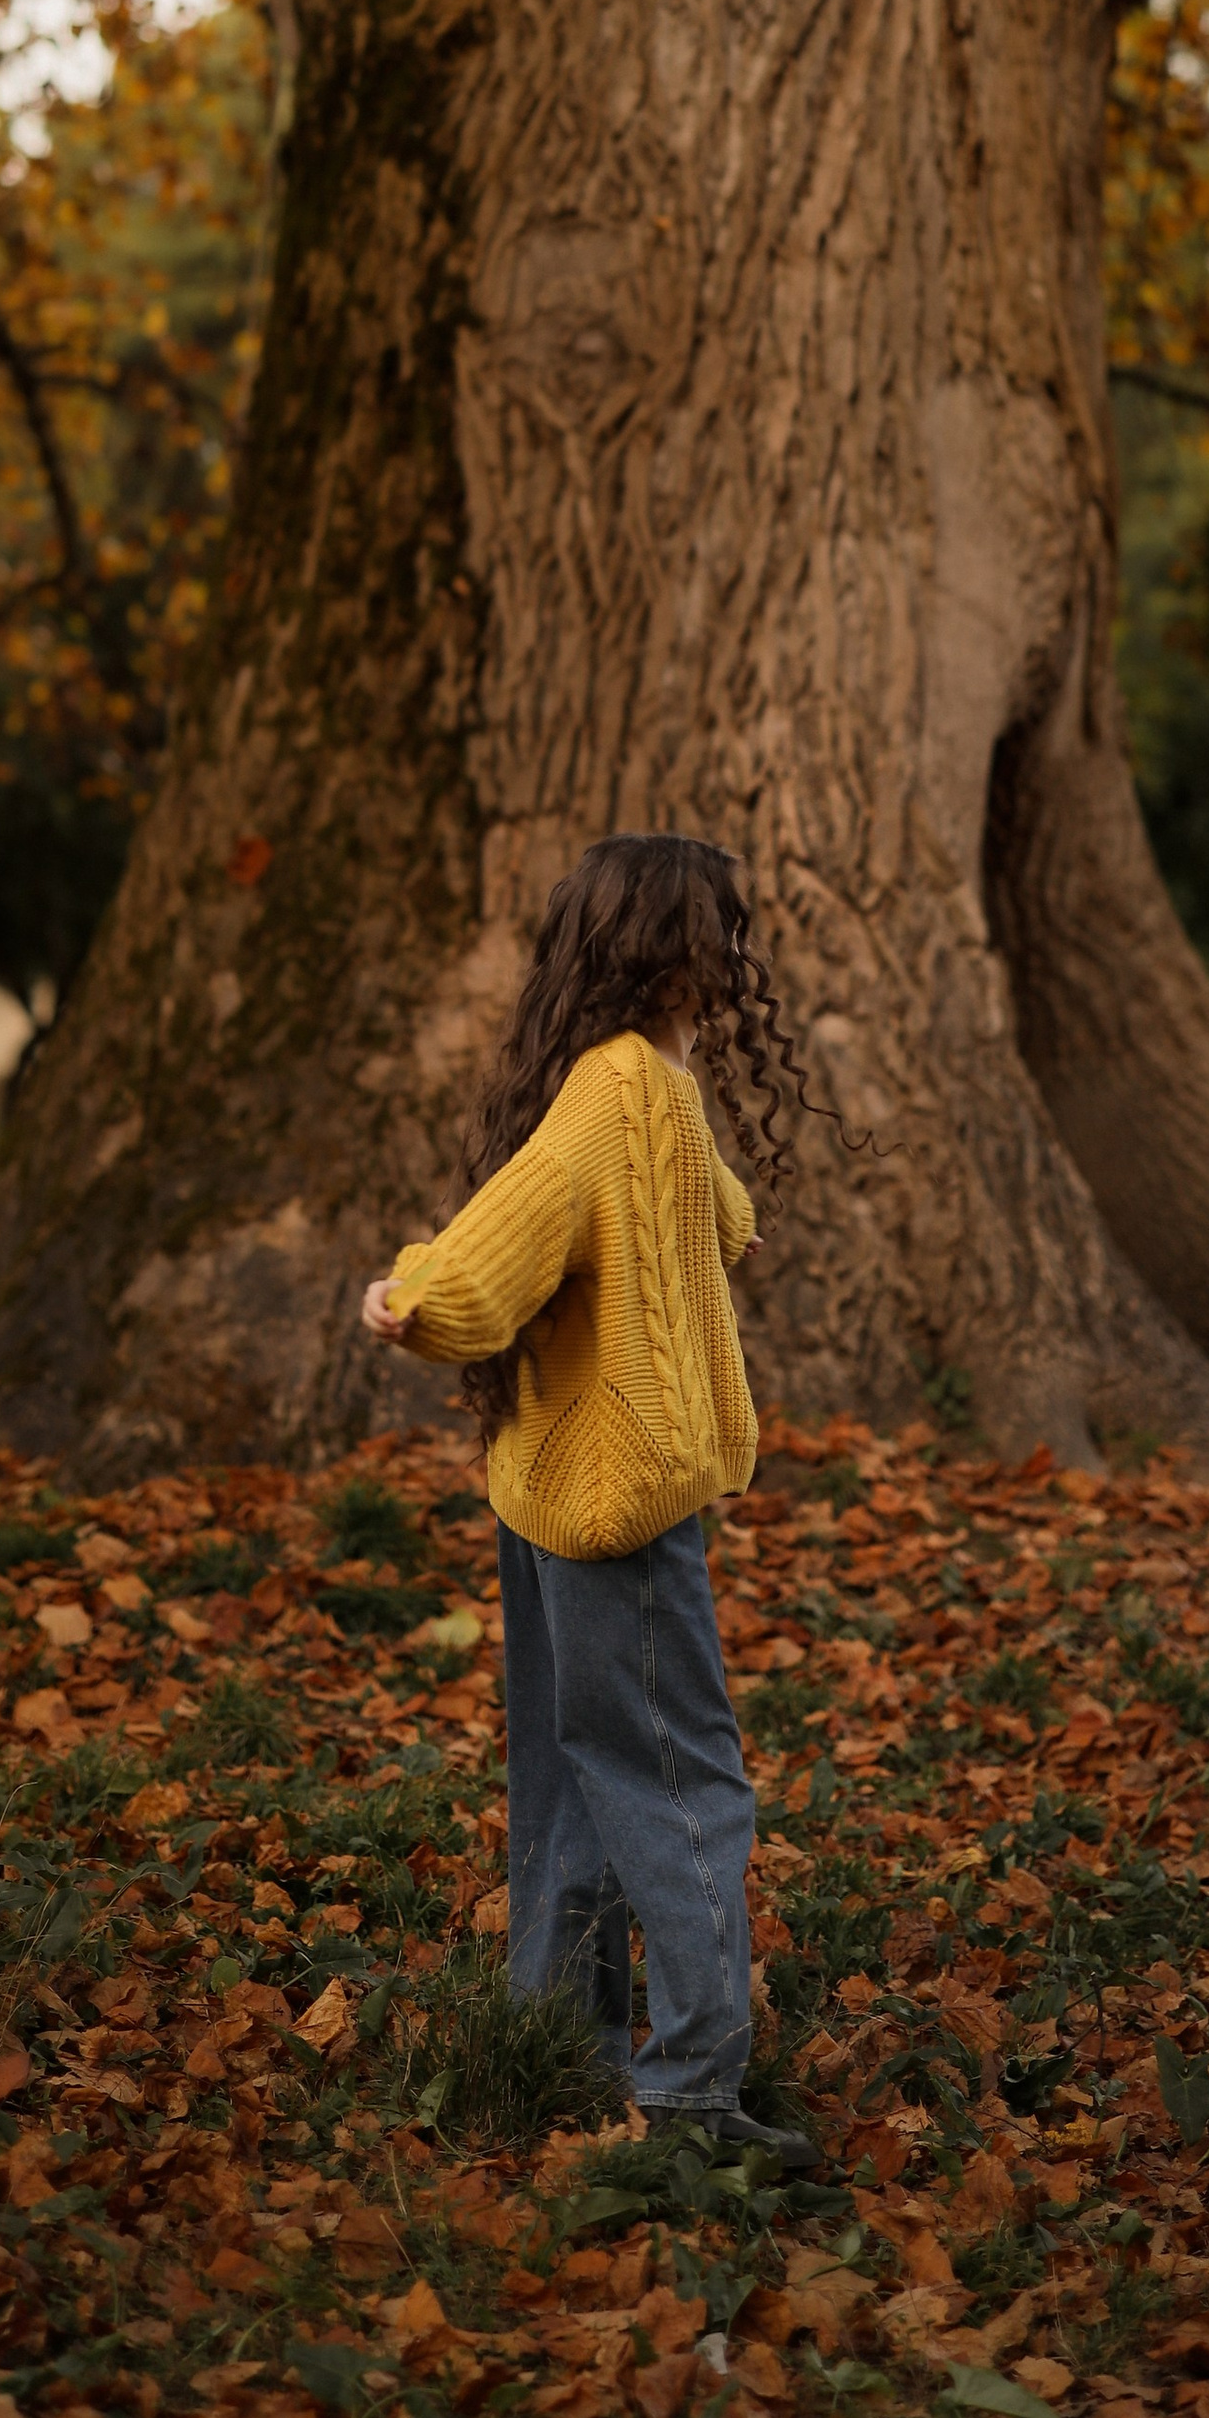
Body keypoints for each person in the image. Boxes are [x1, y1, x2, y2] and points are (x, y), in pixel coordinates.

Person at [359, 831, 835, 2172]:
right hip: (619, 1498)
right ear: (684, 952)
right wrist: (421, 1295)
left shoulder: (630, 1084)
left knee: (577, 1773)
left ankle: (565, 2044)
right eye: (726, 936)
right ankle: (687, 2095)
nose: (741, 961)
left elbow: (714, 1219)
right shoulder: (630, 1091)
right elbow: (525, 1227)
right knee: (680, 1778)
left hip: (558, 1483)